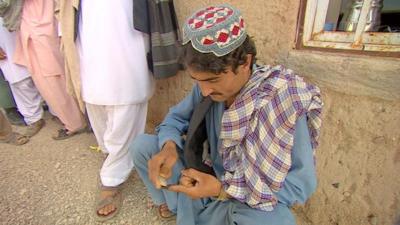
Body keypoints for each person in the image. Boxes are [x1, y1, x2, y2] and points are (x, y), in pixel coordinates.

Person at [130, 4, 323, 225]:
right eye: (197, 81)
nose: (204, 91)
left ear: (245, 63)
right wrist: (169, 147)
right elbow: (175, 119)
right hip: (202, 183)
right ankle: (174, 205)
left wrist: (223, 190)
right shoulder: (207, 91)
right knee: (143, 146)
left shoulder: (282, 102)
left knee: (278, 221)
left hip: (242, 201)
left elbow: (299, 186)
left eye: (212, 80)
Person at [68, 0, 155, 221]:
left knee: (127, 98)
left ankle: (112, 178)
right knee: (94, 99)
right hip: (88, 31)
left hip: (127, 32)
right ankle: (113, 153)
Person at [13, 0, 85, 140]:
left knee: (53, 81)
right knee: (56, 78)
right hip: (42, 29)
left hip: (40, 30)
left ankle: (74, 123)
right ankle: (73, 118)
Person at [0, 18, 44, 137]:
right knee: (20, 80)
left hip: (28, 25)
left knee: (46, 74)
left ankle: (58, 112)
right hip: (4, 39)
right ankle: (34, 119)